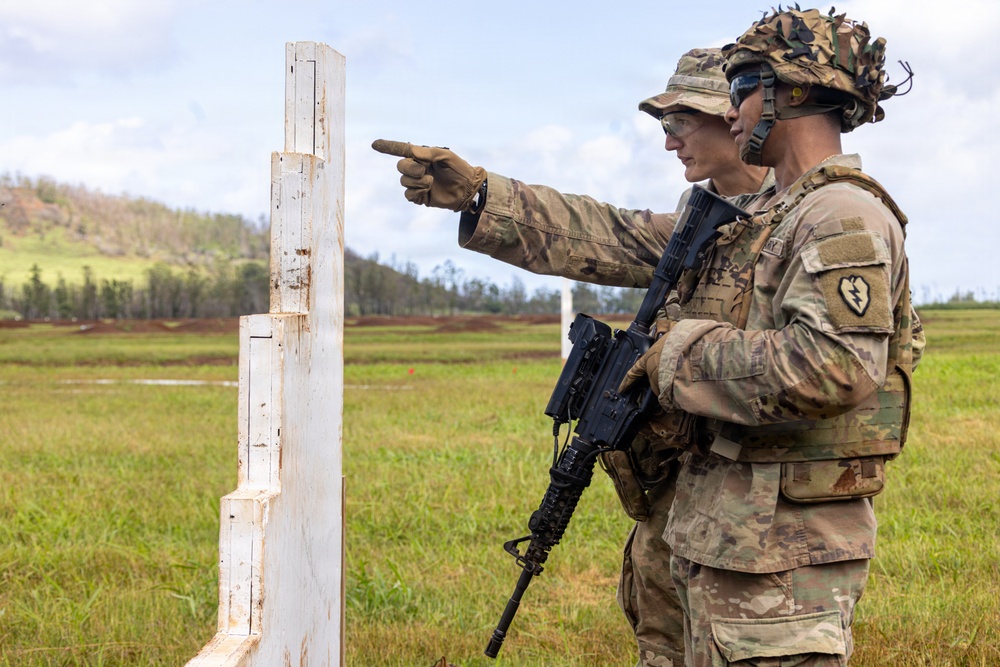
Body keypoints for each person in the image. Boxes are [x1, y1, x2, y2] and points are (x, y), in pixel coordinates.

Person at [374, 48, 771, 667]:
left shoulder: (809, 223)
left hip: (756, 530)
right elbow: (592, 230)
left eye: (679, 123)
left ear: (736, 113)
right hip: (675, 515)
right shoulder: (701, 223)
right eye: (662, 127)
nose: (669, 143)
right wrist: (479, 193)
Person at [614, 8, 920, 665]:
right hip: (734, 545)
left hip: (783, 571)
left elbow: (834, 364)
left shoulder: (842, 213)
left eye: (743, 87)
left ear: (798, 92)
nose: (729, 113)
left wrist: (680, 352)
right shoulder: (773, 214)